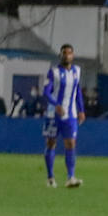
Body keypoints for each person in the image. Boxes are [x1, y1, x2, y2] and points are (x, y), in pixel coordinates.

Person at [43, 43, 86, 188]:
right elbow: (46, 92)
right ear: (60, 55)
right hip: (53, 114)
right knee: (51, 143)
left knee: (71, 143)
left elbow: (78, 92)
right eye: (64, 53)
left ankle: (70, 177)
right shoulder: (53, 72)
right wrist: (56, 104)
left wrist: (81, 110)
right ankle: (50, 177)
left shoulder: (77, 71)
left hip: (71, 114)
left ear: (72, 55)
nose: (66, 55)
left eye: (69, 53)